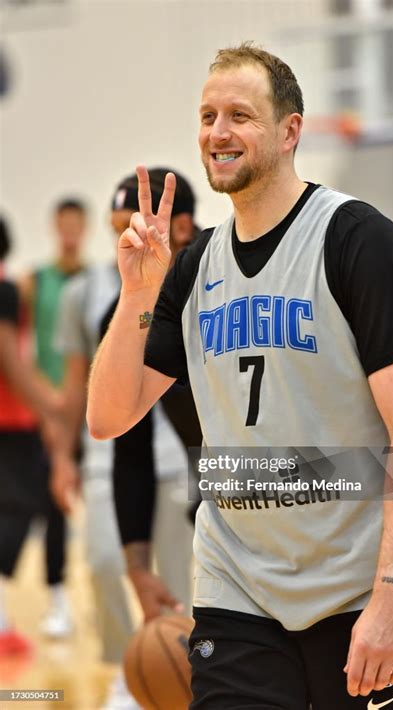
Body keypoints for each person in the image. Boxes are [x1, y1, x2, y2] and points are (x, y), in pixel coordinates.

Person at [88, 43, 393, 709]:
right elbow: (110, 417)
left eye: (240, 116)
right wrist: (138, 291)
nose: (218, 133)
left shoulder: (357, 240)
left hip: (358, 584)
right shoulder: (191, 269)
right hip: (236, 590)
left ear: (289, 131)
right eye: (207, 116)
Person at [51, 168, 198, 710]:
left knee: (197, 583)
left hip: (230, 463)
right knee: (111, 564)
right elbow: (113, 426)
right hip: (128, 453)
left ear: (178, 226)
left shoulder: (219, 272)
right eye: (119, 228)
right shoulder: (119, 303)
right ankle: (131, 667)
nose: (129, 238)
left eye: (135, 224)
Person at [18, 198, 88, 638]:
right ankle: (58, 599)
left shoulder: (97, 279)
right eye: (61, 225)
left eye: (74, 225)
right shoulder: (33, 282)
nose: (68, 232)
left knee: (104, 504)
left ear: (82, 229)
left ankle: (108, 600)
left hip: (92, 411)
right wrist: (43, 404)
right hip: (49, 413)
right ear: (53, 227)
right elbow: (17, 348)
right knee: (53, 506)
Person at [0, 215, 62, 654]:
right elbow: (9, 359)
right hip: (10, 422)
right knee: (20, 509)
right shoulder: (4, 291)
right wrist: (51, 405)